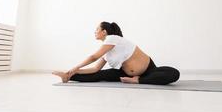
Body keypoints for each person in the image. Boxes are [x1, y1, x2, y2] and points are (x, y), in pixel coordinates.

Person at [52, 21, 180, 85]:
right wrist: (72, 72)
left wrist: (76, 66)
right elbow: (95, 69)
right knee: (98, 75)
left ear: (104, 32)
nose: (95, 31)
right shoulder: (106, 50)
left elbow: (93, 57)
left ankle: (138, 80)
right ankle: (67, 77)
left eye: (97, 29)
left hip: (148, 70)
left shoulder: (112, 38)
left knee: (174, 73)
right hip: (124, 73)